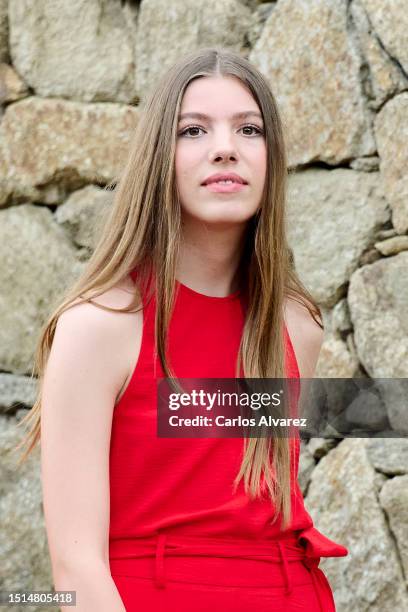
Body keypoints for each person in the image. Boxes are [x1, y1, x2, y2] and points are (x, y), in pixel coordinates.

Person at [15, 47, 348, 611]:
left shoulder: (296, 326)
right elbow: (76, 565)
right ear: (158, 159)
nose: (225, 148)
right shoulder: (98, 327)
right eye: (193, 130)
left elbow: (260, 504)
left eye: (249, 129)